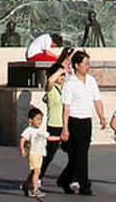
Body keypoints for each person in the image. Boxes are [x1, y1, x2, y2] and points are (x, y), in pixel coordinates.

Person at [59, 50, 106, 196]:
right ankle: (84, 186)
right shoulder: (70, 83)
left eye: (88, 64)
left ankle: (64, 180)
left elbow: (97, 100)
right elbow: (65, 107)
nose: (88, 67)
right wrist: (65, 128)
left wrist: (102, 117)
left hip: (87, 120)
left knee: (80, 155)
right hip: (75, 121)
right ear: (77, 65)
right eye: (85, 64)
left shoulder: (91, 81)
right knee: (81, 156)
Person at [40, 53, 73, 183]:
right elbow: (49, 81)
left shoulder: (66, 89)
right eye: (60, 75)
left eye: (63, 76)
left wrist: (66, 70)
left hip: (65, 125)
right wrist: (60, 70)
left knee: (73, 154)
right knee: (49, 155)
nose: (62, 77)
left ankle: (71, 178)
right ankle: (38, 177)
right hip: (53, 125)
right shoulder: (51, 89)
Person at [19, 104, 48, 198]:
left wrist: (59, 138)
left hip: (40, 153)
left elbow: (48, 137)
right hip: (33, 153)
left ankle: (26, 185)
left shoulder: (40, 130)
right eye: (38, 119)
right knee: (37, 171)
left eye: (41, 119)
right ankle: (35, 190)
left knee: (33, 172)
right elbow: (22, 139)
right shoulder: (29, 130)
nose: (40, 121)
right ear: (31, 120)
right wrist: (22, 149)